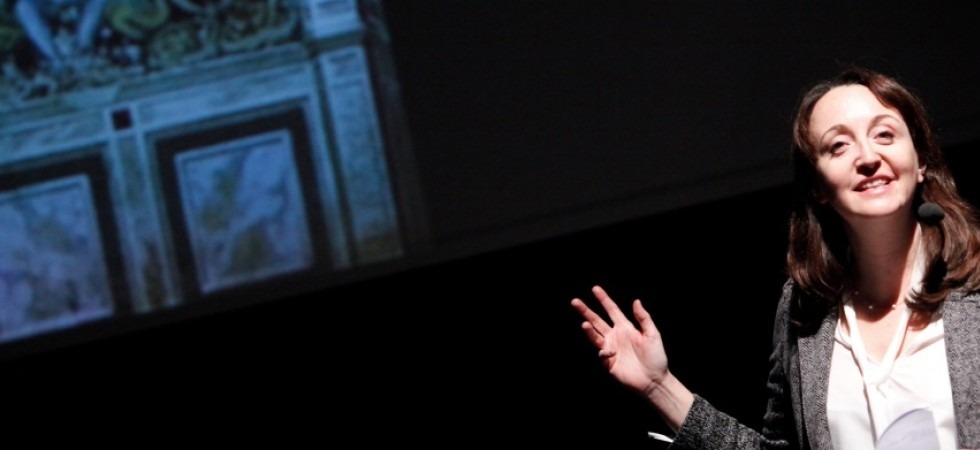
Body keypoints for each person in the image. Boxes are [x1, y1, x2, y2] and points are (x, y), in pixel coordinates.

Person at [570, 65, 980, 449]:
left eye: (885, 135)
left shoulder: (975, 284)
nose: (869, 157)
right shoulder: (805, 307)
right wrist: (659, 385)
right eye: (838, 145)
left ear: (921, 161)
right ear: (817, 185)